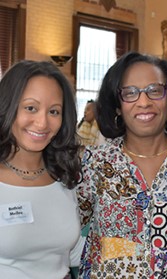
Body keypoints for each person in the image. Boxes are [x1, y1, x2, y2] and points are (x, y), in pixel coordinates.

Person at [77, 51, 167, 278]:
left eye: (155, 91)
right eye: (130, 93)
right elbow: (63, 231)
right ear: (117, 105)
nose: (144, 102)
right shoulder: (94, 164)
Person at [0, 60, 84, 279]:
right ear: (8, 106)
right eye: (31, 108)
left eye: (54, 112)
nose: (42, 123)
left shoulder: (65, 177)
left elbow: (71, 254)